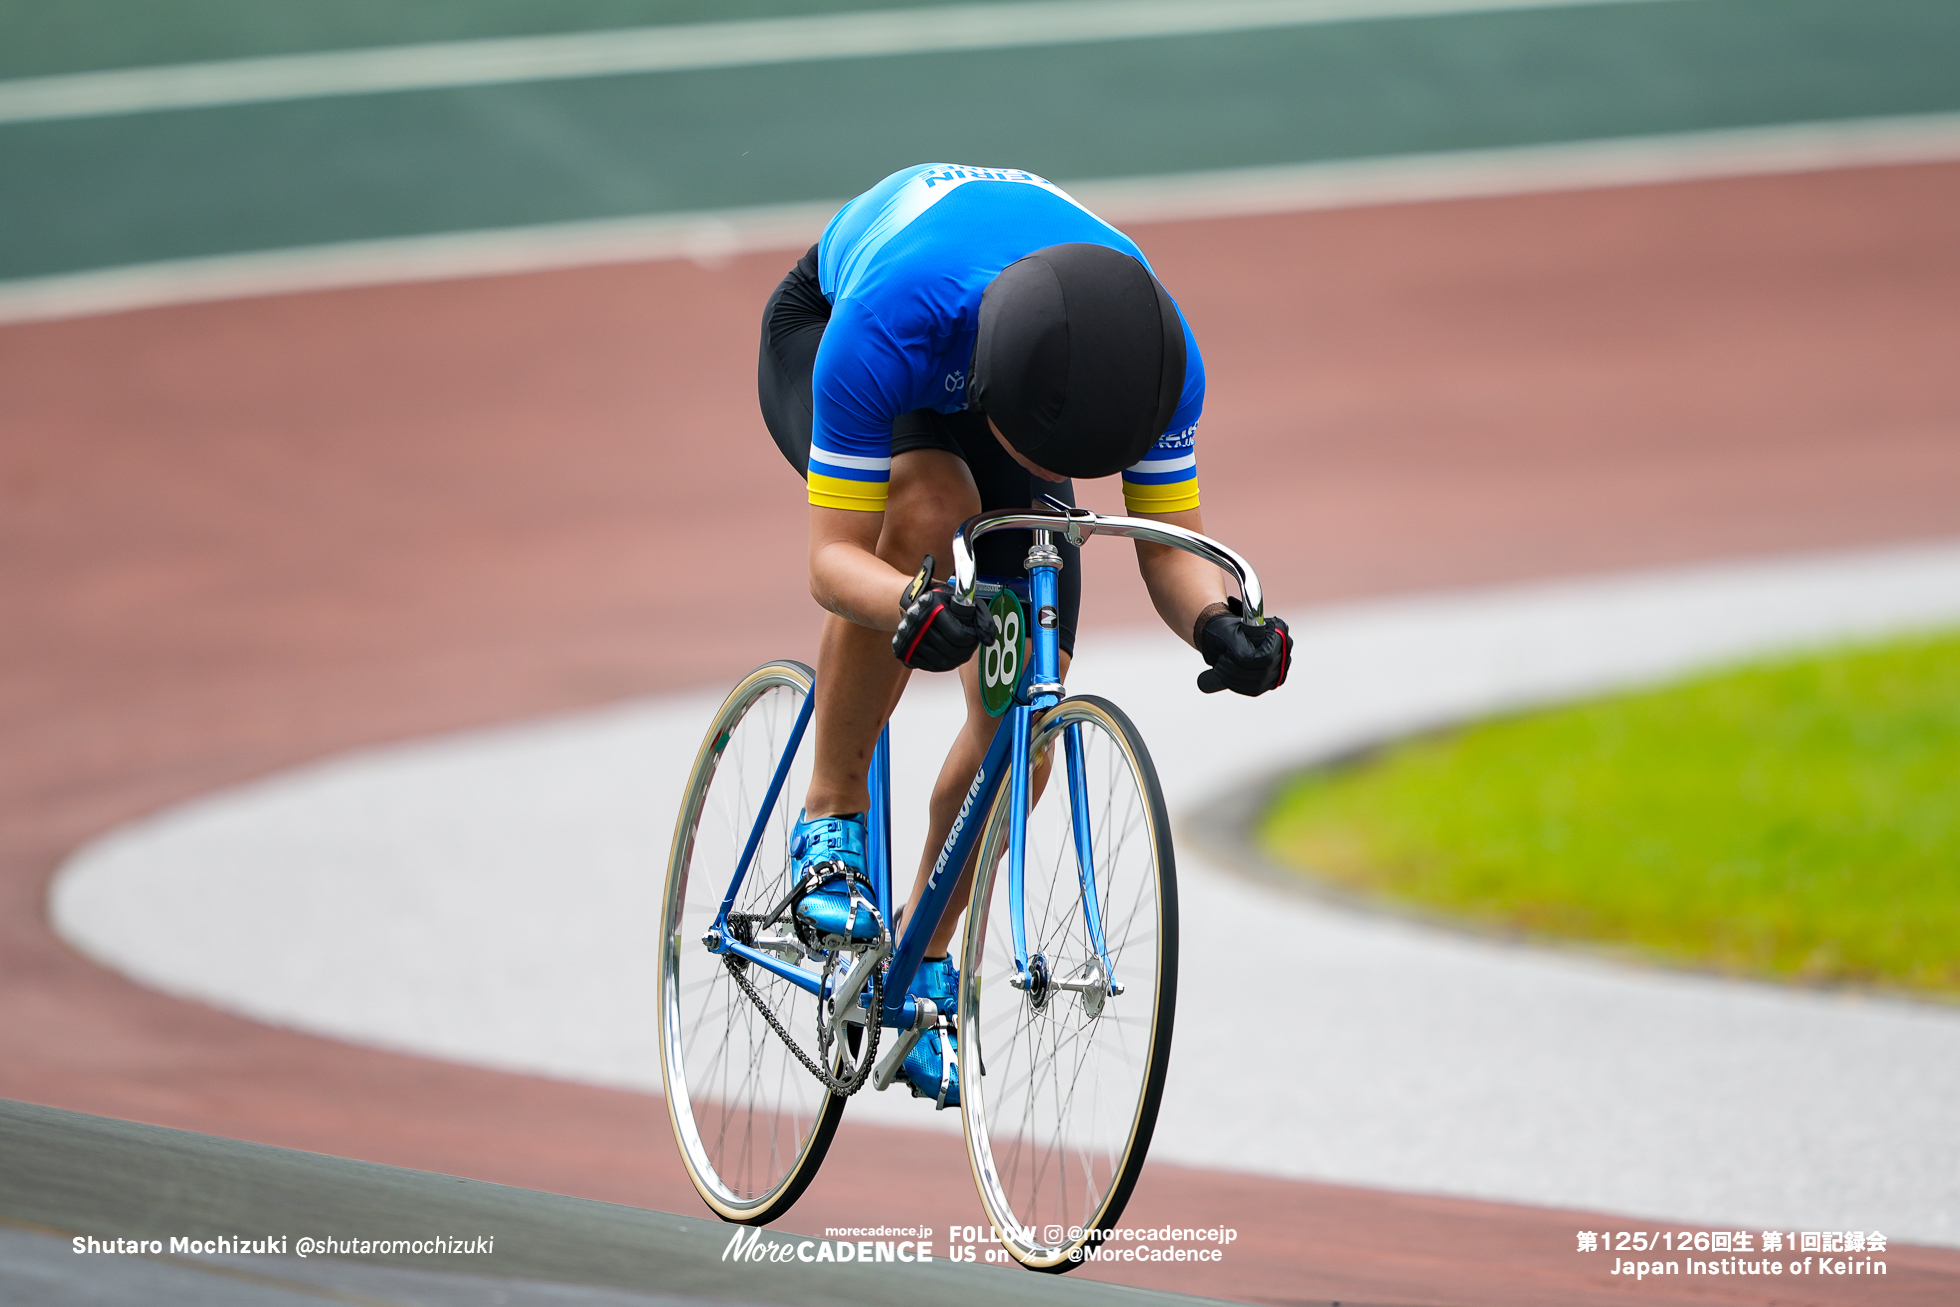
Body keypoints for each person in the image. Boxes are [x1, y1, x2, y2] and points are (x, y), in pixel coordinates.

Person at [758, 163, 1289, 1105]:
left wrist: (1216, 621)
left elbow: (1169, 553)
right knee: (933, 503)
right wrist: (909, 606)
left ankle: (917, 962)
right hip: (845, 317)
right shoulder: (887, 325)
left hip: (1024, 368)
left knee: (1023, 732)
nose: (1073, 481)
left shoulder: (1161, 361)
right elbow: (831, 563)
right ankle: (829, 819)